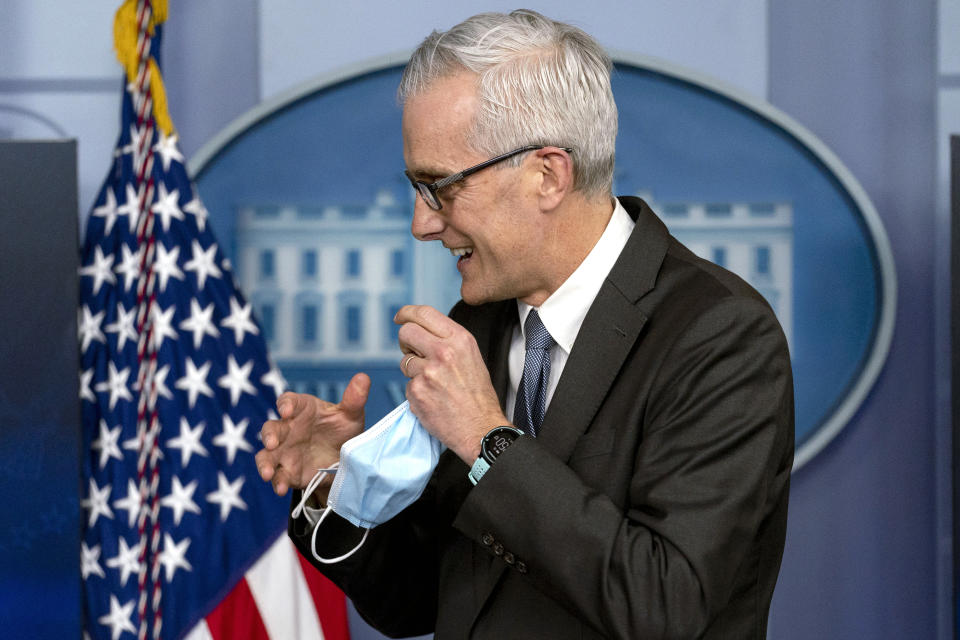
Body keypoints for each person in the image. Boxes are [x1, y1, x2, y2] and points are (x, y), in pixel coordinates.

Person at [255, 9, 793, 639]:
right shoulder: (479, 324)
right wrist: (332, 486)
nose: (421, 224)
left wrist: (489, 442)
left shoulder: (720, 335)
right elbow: (418, 601)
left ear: (547, 174)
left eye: (440, 187)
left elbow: (665, 605)